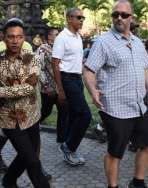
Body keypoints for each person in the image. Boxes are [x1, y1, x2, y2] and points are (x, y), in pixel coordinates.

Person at [83, 1, 148, 187]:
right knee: (116, 152)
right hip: (115, 108)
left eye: (124, 15)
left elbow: (144, 70)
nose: (119, 17)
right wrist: (93, 90)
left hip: (139, 105)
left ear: (131, 18)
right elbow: (88, 70)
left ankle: (137, 182)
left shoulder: (137, 42)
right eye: (115, 14)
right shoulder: (103, 42)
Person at [0, 18, 50, 188]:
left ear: (24, 38)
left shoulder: (33, 59)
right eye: (11, 37)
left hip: (31, 115)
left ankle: (8, 180)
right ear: (3, 38)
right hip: (8, 118)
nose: (15, 41)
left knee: (26, 156)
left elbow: (28, 88)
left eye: (19, 37)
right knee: (32, 161)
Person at [52, 7, 91, 166]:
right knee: (85, 115)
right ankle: (68, 147)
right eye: (78, 17)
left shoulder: (77, 37)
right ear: (69, 18)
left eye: (83, 18)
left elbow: (79, 61)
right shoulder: (62, 37)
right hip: (67, 79)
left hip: (77, 78)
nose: (82, 20)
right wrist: (60, 89)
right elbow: (55, 65)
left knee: (75, 115)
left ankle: (68, 149)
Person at [37, 27, 68, 145]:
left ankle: (62, 140)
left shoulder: (60, 49)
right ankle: (34, 125)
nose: (59, 36)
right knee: (46, 111)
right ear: (49, 36)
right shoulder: (43, 49)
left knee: (64, 112)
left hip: (60, 88)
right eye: (56, 34)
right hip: (48, 90)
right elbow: (39, 68)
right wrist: (46, 85)